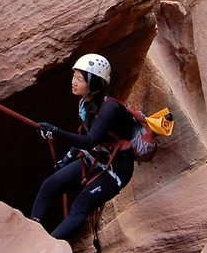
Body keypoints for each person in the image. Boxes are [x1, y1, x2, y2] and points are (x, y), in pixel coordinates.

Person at [30, 53, 138, 241]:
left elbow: (90, 141)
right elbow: (83, 133)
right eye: (74, 76)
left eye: (80, 79)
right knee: (50, 185)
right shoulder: (85, 104)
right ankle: (31, 234)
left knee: (80, 207)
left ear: (94, 84)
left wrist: (56, 131)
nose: (74, 82)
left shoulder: (109, 108)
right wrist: (67, 158)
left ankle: (50, 247)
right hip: (95, 159)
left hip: (115, 170)